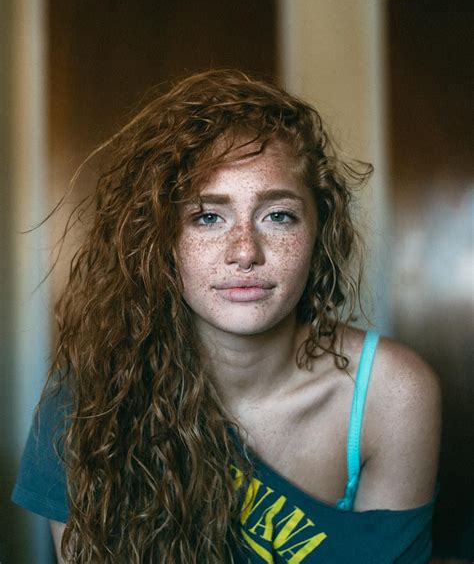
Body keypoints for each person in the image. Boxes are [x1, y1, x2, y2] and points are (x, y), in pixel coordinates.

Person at [11, 69, 441, 563]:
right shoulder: (89, 402)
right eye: (207, 217)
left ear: (318, 232)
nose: (244, 252)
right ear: (162, 242)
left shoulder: (391, 395)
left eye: (278, 215)